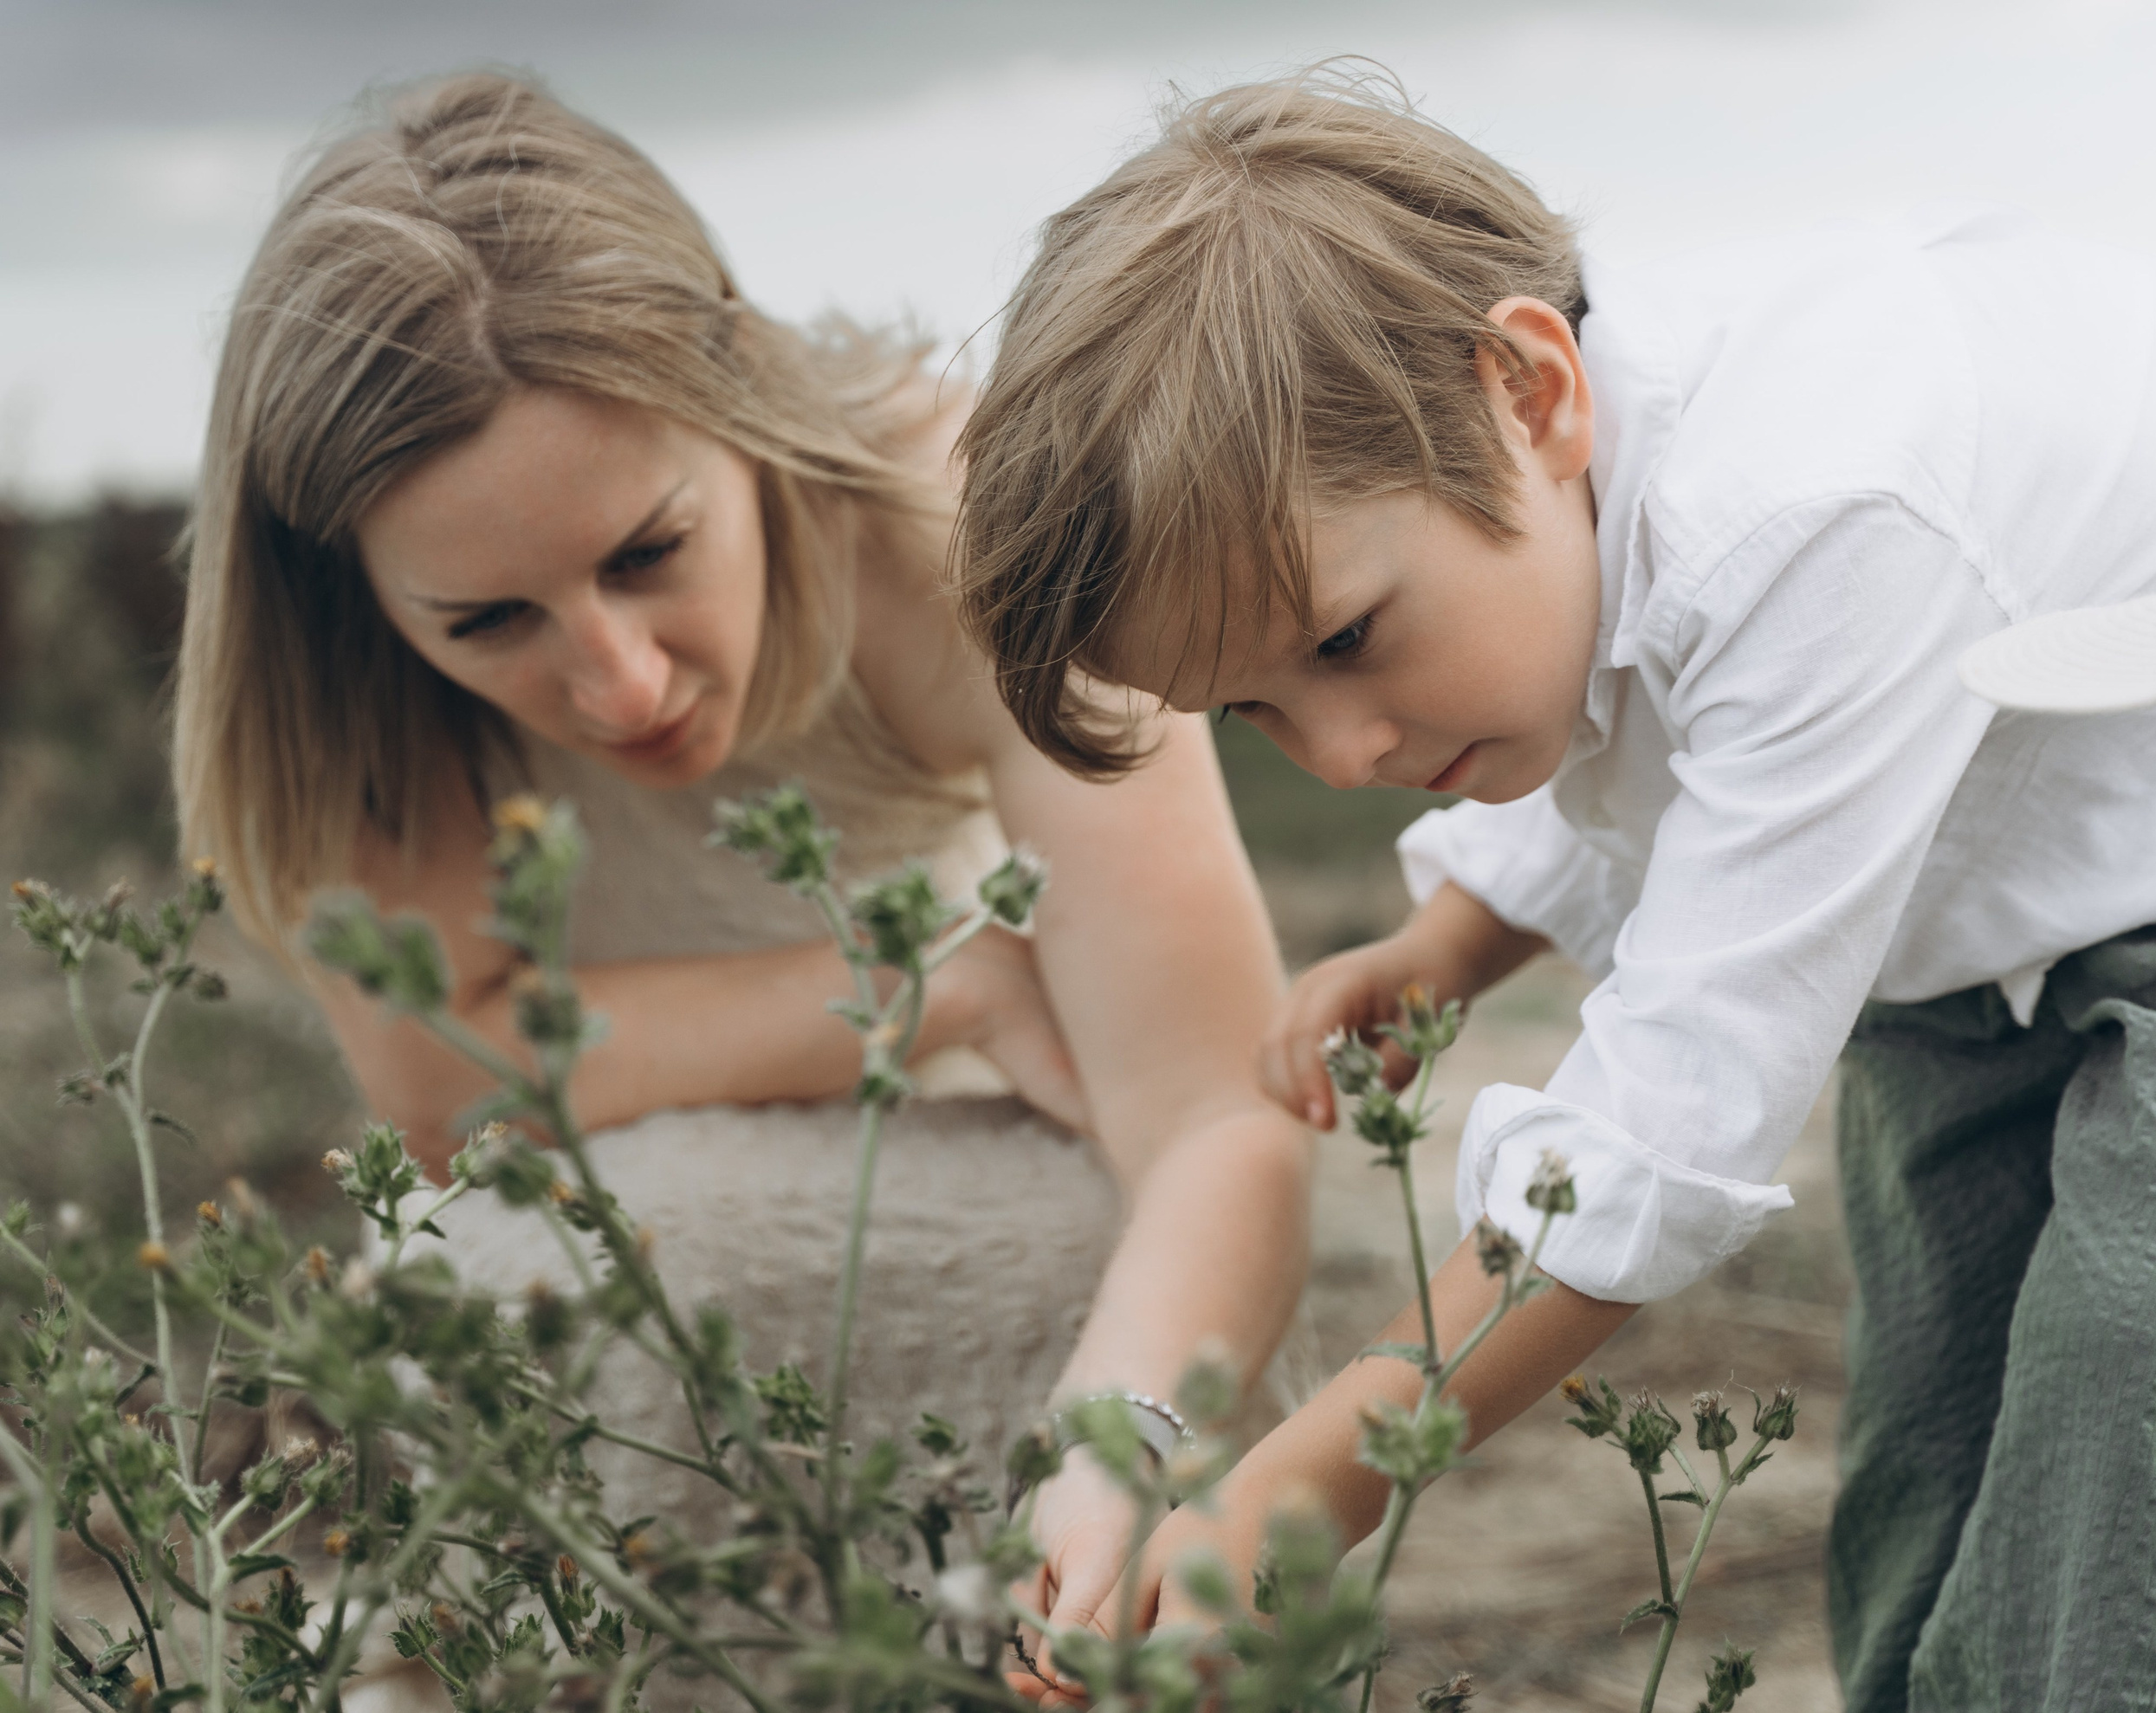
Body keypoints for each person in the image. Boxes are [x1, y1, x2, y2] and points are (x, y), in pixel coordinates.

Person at [954, 68, 2156, 1712]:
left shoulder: (1815, 508)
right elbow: (1627, 728)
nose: (1337, 754)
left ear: (1529, 392)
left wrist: (1295, 1492)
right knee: (1941, 1425)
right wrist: (1455, 938)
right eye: (1255, 707)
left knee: (2129, 1367)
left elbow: (1665, 1131)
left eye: (1342, 639)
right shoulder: (1568, 481)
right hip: (1973, 954)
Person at [169, 70, 1316, 1671]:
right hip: (602, 1239)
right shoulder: (345, 683)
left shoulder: (956, 525)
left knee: (1133, 1261)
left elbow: (1211, 1112)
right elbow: (443, 1080)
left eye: (650, 551)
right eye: (489, 622)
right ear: (356, 589)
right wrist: (935, 979)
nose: (621, 685)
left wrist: (1109, 1455)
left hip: (972, 1166)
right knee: (522, 1272)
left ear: (738, 395)